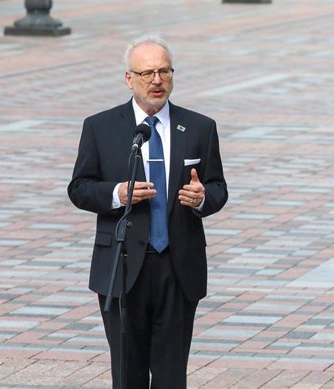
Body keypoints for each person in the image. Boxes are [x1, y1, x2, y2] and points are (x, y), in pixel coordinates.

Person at [68, 34, 228, 389]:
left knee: (172, 377)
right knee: (128, 374)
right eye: (147, 73)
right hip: (122, 269)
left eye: (163, 71)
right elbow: (78, 188)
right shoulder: (100, 127)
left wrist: (202, 198)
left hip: (178, 266)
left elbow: (218, 188)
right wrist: (117, 192)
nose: (157, 80)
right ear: (129, 78)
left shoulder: (200, 127)